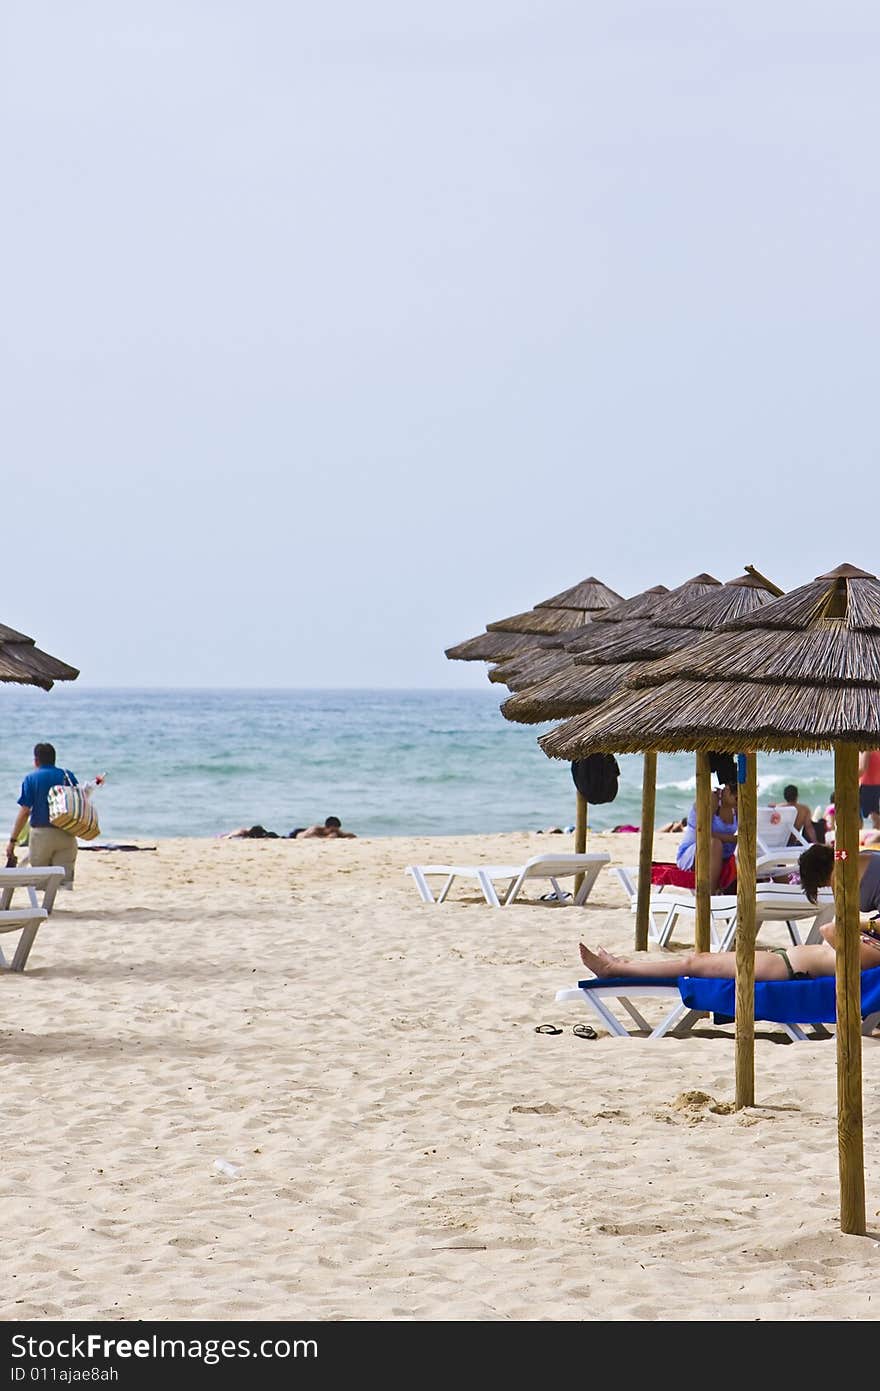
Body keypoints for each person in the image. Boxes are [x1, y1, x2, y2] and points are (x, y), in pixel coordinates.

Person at [577, 920, 880, 983]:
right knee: (697, 959)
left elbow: (831, 928)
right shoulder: (873, 947)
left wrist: (868, 922)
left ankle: (615, 969)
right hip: (780, 960)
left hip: (782, 969)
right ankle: (623, 964)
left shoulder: (874, 954)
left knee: (692, 963)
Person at [6, 743, 97, 888]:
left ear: (36, 760)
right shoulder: (67, 776)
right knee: (64, 881)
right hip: (67, 832)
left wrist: (13, 840)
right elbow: (79, 799)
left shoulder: (31, 778)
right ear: (54, 759)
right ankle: (60, 909)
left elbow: (24, 812)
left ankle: (45, 909)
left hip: (41, 835)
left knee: (40, 880)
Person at [675, 782, 738, 891]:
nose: (739, 802)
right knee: (715, 843)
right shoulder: (712, 799)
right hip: (693, 854)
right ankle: (710, 895)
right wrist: (733, 839)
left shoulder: (736, 807)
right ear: (727, 790)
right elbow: (702, 833)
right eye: (737, 798)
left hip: (722, 855)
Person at [798, 842, 880, 914]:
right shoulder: (862, 855)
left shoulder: (840, 879)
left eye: (822, 886)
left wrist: (866, 925)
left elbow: (843, 920)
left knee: (829, 930)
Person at [859, 751, 880, 830]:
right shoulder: (875, 749)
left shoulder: (866, 750)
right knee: (875, 814)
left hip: (867, 786)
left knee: (871, 815)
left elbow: (862, 769)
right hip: (876, 785)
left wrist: (847, 779)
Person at [291, 816, 356, 839]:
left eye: (336, 830)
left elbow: (351, 835)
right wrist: (326, 838)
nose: (334, 832)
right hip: (298, 832)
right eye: (332, 830)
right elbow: (301, 836)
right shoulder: (315, 829)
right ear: (326, 827)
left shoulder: (336, 831)